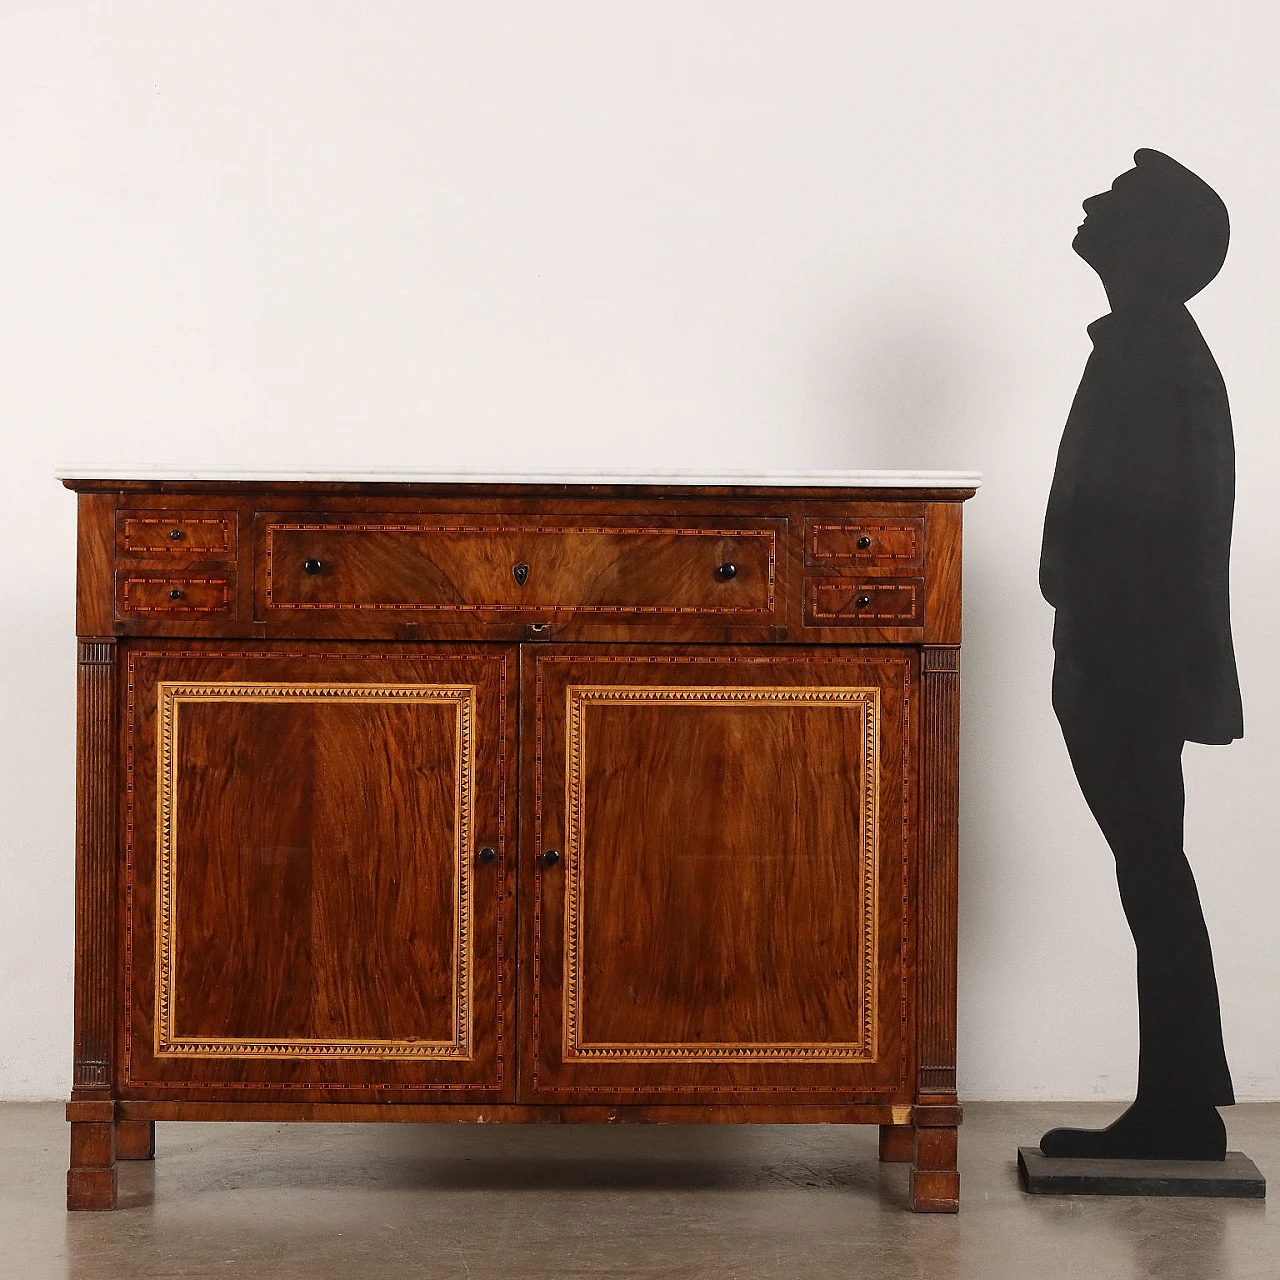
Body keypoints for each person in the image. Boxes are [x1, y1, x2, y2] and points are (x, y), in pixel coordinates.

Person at [1038, 148, 1242, 1160]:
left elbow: (1148, 523)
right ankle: (1178, 1096)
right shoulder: (1146, 347)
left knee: (1150, 868)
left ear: (1152, 243)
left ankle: (1177, 1103)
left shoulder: (1151, 354)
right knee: (1150, 867)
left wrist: (1092, 635)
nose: (1088, 201)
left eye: (1114, 199)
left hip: (1126, 662)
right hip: (1118, 655)